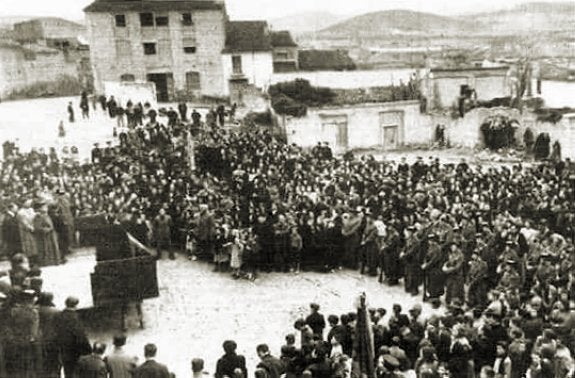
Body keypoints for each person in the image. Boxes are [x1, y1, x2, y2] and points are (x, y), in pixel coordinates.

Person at [55, 296, 92, 378]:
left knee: (67, 370)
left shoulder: (60, 315)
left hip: (63, 349)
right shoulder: (75, 317)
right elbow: (80, 335)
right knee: (75, 372)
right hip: (74, 350)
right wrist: (88, 349)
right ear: (75, 305)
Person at [37, 292, 61, 378]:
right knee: (54, 361)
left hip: (39, 338)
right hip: (53, 339)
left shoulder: (36, 309)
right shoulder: (56, 311)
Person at [33, 202, 62, 267]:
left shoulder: (46, 215)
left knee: (53, 247)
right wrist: (46, 229)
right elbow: (37, 227)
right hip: (45, 236)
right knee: (47, 248)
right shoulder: (38, 216)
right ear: (40, 209)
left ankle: (55, 260)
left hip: (51, 234)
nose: (46, 208)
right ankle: (48, 262)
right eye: (44, 207)